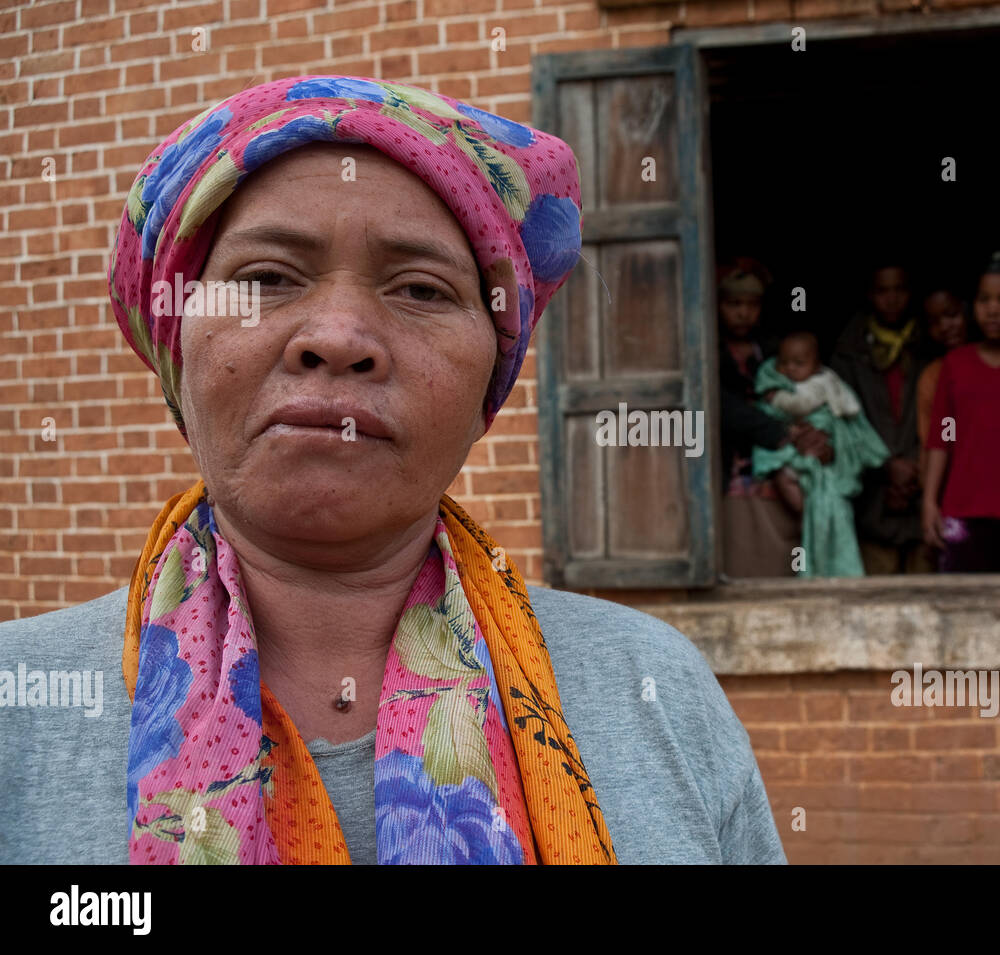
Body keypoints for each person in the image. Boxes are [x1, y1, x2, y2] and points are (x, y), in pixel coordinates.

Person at [0, 76, 786, 865]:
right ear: (178, 339)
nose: (339, 336)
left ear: (492, 372)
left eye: (420, 288)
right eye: (267, 277)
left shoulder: (653, 692)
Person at [921, 253, 1000, 572]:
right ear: (972, 306)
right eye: (984, 300)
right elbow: (942, 436)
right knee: (957, 609)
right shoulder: (957, 364)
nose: (993, 309)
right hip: (961, 511)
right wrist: (929, 501)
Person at [717, 257, 832, 578]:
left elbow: (810, 396)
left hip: (782, 478)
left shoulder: (775, 353)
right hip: (734, 478)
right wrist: (781, 431)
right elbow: (721, 406)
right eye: (733, 304)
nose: (743, 313)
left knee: (783, 569)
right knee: (740, 565)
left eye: (751, 304)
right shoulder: (709, 351)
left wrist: (815, 434)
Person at [751, 331, 890, 577]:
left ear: (816, 366)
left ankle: (817, 514)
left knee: (828, 493)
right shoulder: (777, 384)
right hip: (791, 455)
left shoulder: (825, 384)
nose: (791, 369)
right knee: (783, 476)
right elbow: (765, 415)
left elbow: (841, 414)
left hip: (823, 456)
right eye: (785, 363)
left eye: (799, 363)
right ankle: (808, 513)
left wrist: (781, 401)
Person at [830, 263, 932, 574]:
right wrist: (887, 466)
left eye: (899, 290)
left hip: (923, 487)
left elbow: (943, 417)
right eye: (882, 291)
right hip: (872, 494)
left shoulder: (928, 346)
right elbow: (842, 424)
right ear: (869, 295)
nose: (891, 299)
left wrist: (916, 465)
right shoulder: (848, 354)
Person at [916, 285, 970, 485]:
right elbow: (938, 440)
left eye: (951, 314)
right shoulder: (934, 376)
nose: (945, 326)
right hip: (958, 485)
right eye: (934, 322)